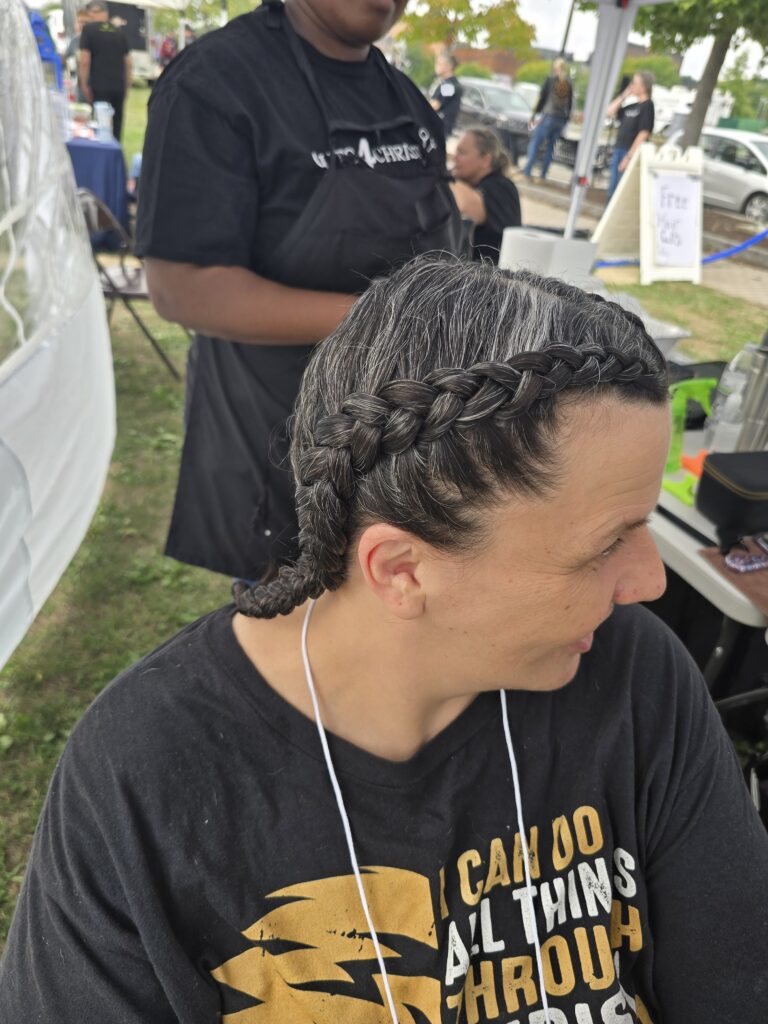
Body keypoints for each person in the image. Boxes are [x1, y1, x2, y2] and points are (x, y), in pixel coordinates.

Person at [2, 256, 768, 1023]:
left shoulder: (634, 677)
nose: (650, 582)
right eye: (606, 545)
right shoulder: (147, 779)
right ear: (402, 570)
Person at [134, 0, 464, 583]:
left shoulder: (406, 101)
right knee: (294, 623)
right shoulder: (216, 84)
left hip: (399, 447)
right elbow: (183, 288)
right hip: (276, 440)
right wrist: (389, 319)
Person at [451, 127, 521, 262]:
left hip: (491, 273)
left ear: (486, 160)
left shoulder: (501, 187)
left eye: (462, 152)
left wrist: (436, 173)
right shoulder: (468, 183)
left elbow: (467, 206)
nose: (455, 158)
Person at [78, 0, 131, 141]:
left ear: (93, 13)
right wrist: (127, 85)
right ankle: (116, 150)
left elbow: (84, 60)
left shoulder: (88, 30)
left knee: (100, 127)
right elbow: (128, 63)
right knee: (117, 127)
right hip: (118, 86)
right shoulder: (119, 32)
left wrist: (84, 84)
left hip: (98, 85)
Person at [605, 71, 655, 202]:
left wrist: (629, 157)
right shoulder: (632, 106)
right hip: (619, 148)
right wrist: (623, 95)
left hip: (629, 151)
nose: (632, 86)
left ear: (643, 87)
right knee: (612, 188)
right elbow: (610, 112)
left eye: (635, 83)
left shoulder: (647, 107)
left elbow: (644, 133)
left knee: (619, 190)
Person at [523, 58, 573, 180]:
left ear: (555, 68)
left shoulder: (550, 80)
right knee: (551, 147)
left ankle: (528, 169)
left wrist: (534, 115)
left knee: (536, 143)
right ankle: (543, 173)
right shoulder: (569, 83)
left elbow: (542, 98)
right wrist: (566, 120)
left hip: (549, 116)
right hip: (561, 119)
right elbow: (570, 103)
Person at [429, 51, 463, 139]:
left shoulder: (449, 85)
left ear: (449, 66)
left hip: (440, 129)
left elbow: (435, 106)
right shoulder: (448, 83)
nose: (436, 67)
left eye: (439, 64)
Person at [63, 8, 89, 102]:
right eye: (80, 22)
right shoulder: (74, 41)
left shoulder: (96, 40)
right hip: (80, 85)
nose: (82, 25)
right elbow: (65, 58)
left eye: (85, 22)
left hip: (95, 85)